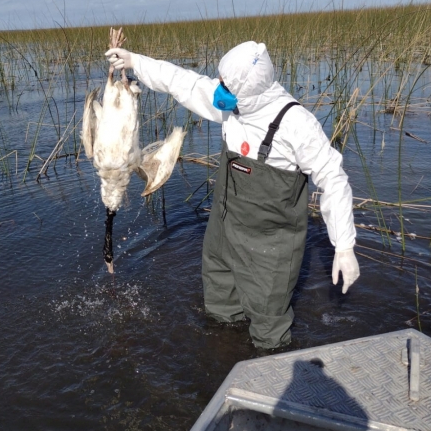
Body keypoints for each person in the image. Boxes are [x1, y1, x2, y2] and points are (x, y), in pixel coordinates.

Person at [106, 40, 359, 350]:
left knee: (269, 327)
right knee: (220, 311)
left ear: (247, 92)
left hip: (271, 247)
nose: (219, 89)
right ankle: (223, 357)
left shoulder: (296, 124)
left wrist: (344, 247)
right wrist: (134, 61)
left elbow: (333, 178)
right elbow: (180, 81)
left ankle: (270, 375)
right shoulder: (230, 104)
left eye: (226, 85)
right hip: (223, 233)